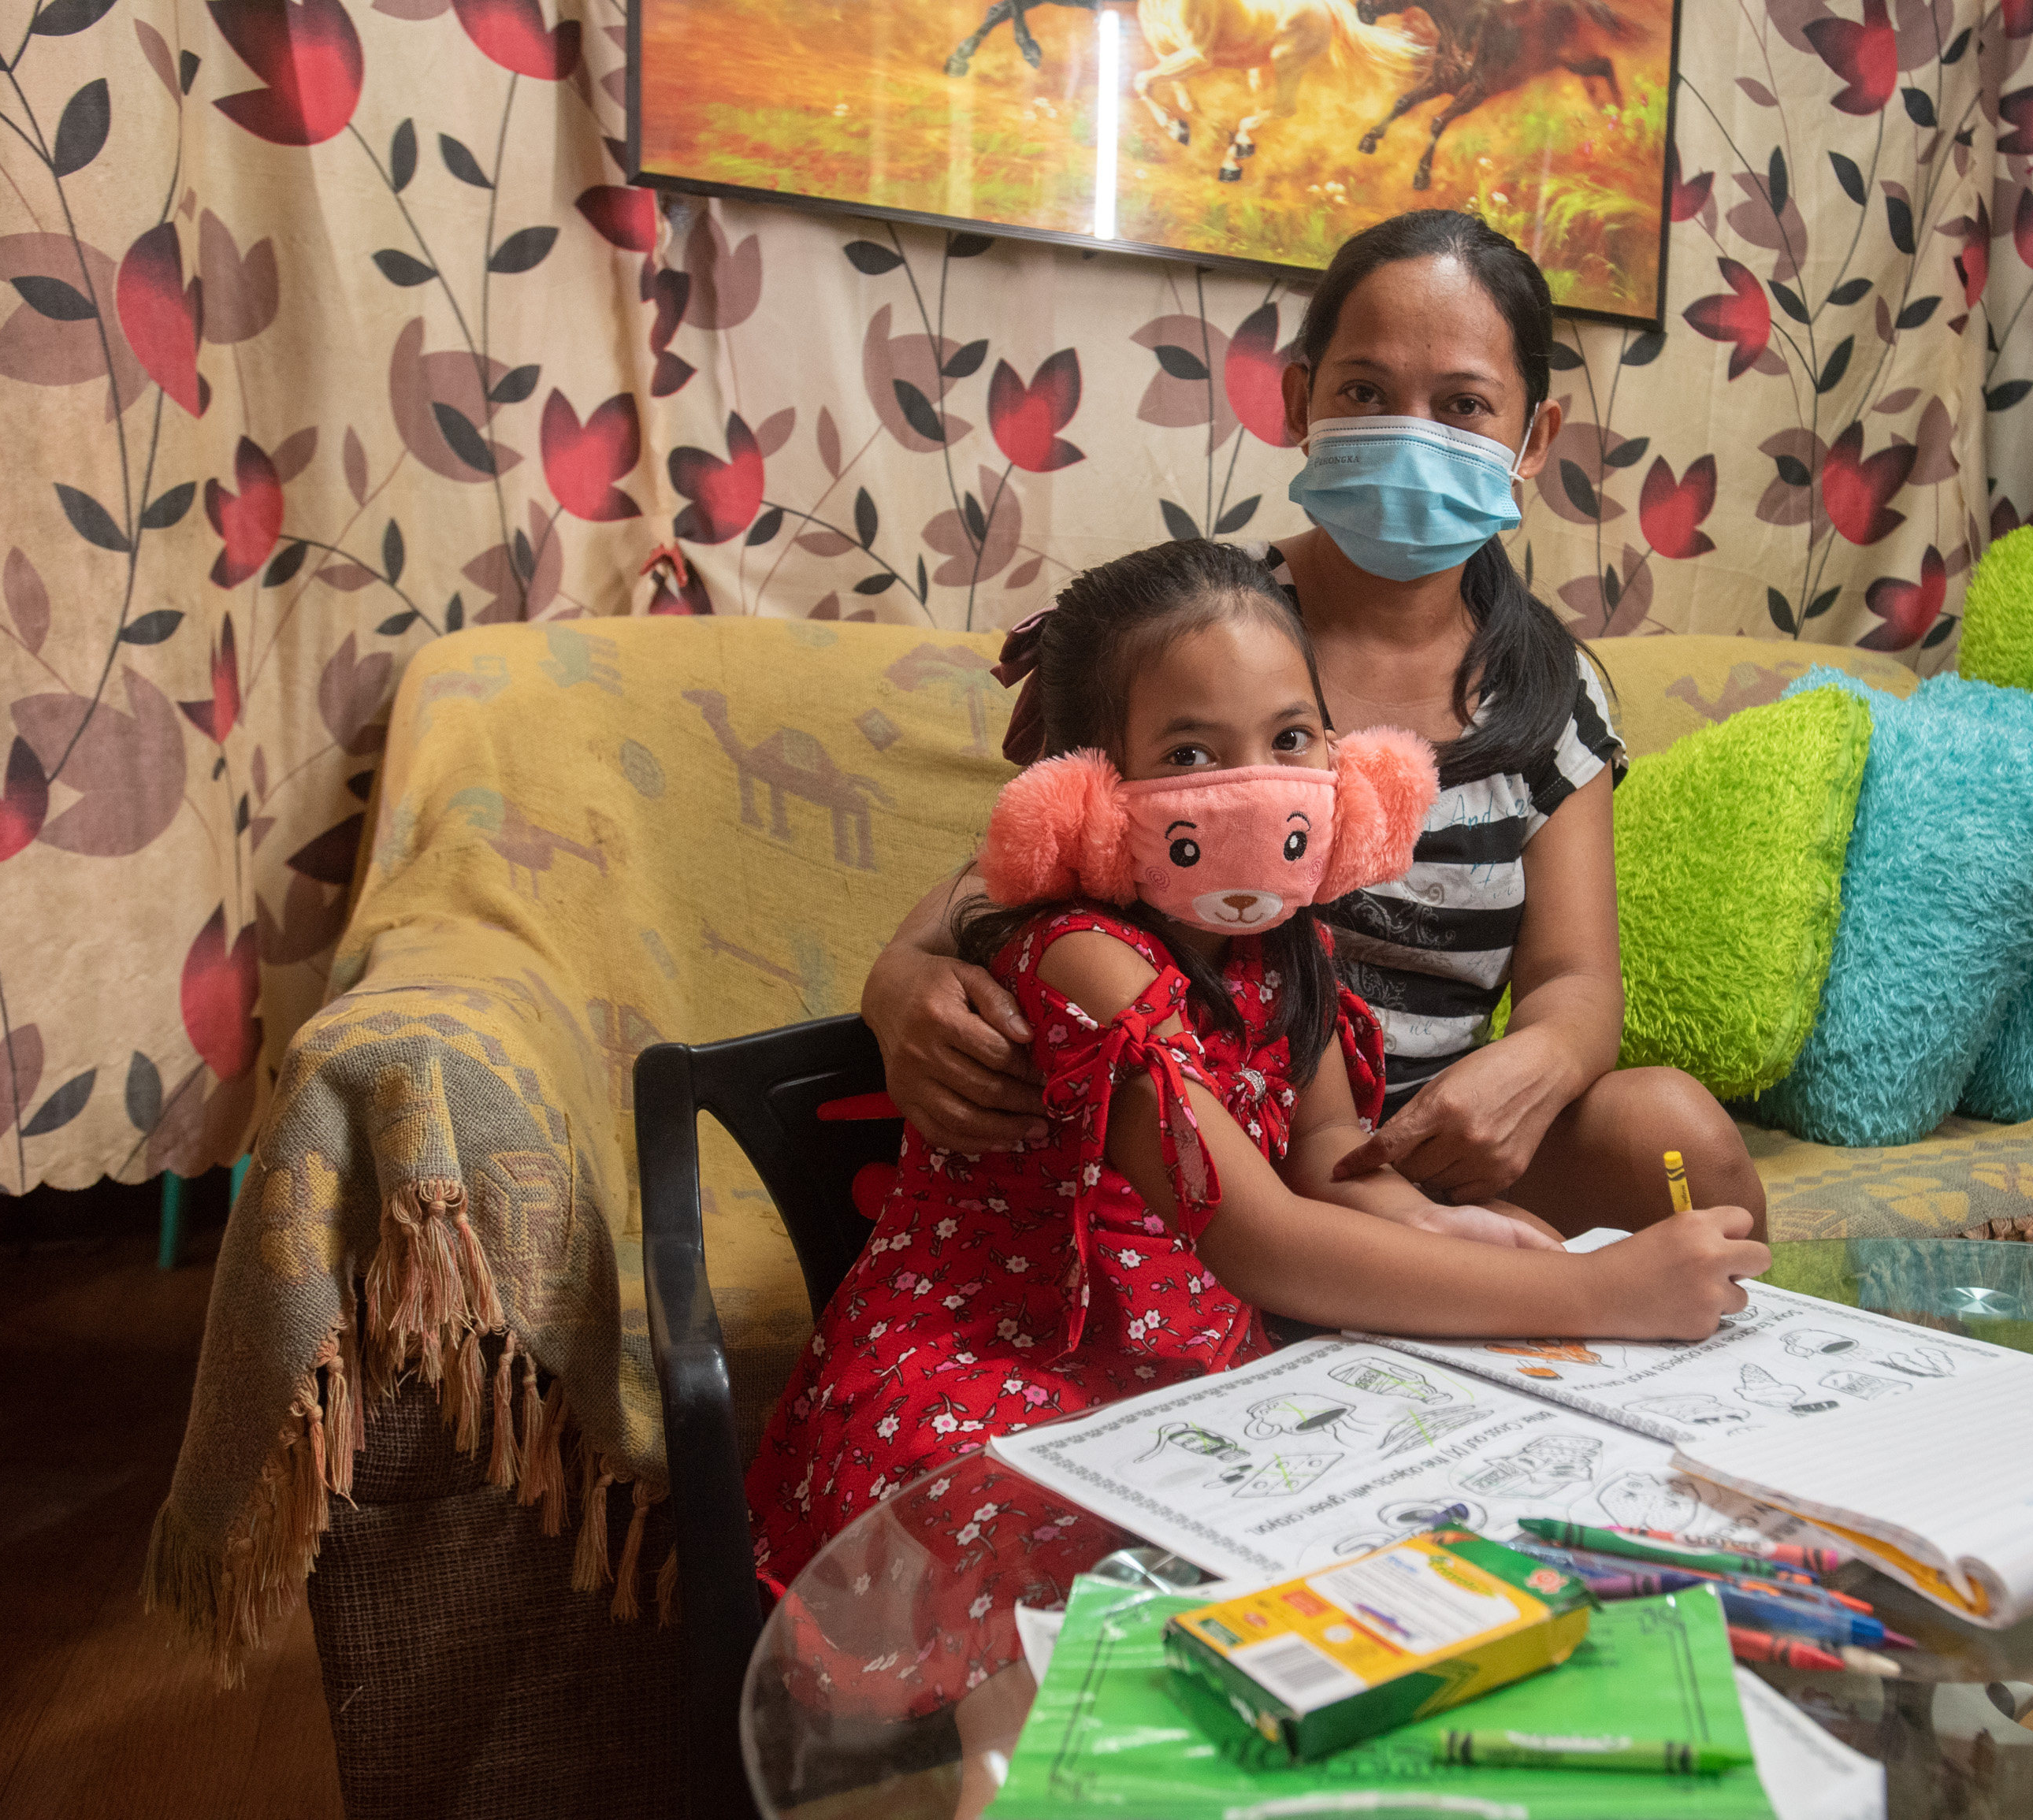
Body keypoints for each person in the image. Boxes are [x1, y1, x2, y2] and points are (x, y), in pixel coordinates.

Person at [747, 538, 1767, 1598]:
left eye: (1287, 738)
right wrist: (1592, 1291)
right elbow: (1262, 1239)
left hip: (1185, 1347)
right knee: (1044, 1615)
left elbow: (1325, 1149)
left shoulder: (1285, 941)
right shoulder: (1084, 960)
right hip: (1004, 1368)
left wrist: (1435, 1221)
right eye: (1190, 755)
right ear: (1089, 795)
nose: (1252, 789)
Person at [864, 210, 1769, 1236]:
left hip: (1421, 1154)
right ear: (1300, 400)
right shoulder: (1195, 637)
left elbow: (1572, 978)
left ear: (1533, 438)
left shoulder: (1548, 693)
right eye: (1366, 393)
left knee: (1676, 1136)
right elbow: (1033, 860)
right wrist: (897, 981)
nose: (1411, 431)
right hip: (1201, 1136)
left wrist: (1536, 1065)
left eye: (1463, 404)